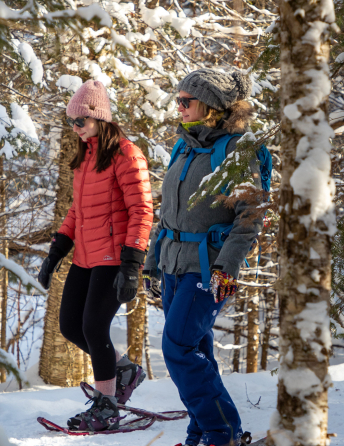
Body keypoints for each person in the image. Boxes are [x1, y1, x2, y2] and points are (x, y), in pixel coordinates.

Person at [142, 69, 260, 446]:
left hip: (208, 269)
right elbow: (167, 215)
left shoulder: (239, 150)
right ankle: (201, 431)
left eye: (186, 100)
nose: (179, 106)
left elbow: (250, 216)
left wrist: (227, 268)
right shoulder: (185, 147)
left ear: (210, 106)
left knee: (177, 348)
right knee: (196, 350)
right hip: (173, 267)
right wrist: (151, 262)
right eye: (178, 99)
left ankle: (221, 432)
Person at [37, 80, 154, 432]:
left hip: (115, 257)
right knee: (71, 326)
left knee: (93, 327)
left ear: (100, 119)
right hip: (86, 257)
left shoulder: (126, 154)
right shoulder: (85, 158)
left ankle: (107, 407)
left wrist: (132, 264)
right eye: (71, 122)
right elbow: (78, 211)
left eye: (81, 122)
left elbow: (142, 210)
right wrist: (56, 250)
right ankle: (125, 369)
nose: (76, 128)